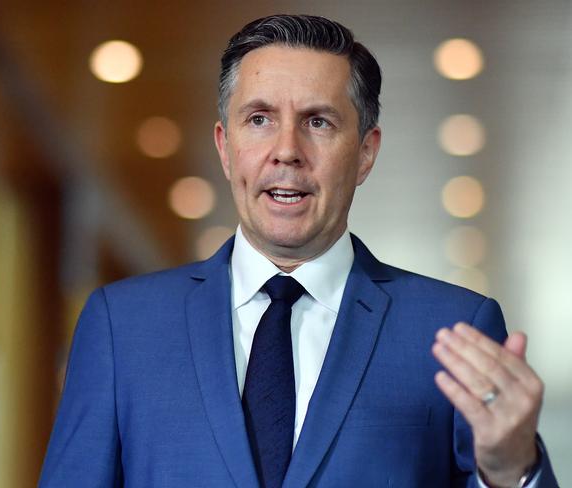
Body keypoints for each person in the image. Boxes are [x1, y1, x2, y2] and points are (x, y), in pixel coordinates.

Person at [39, 14, 559, 488]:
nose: (287, 151)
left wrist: (511, 468)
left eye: (318, 122)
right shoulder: (122, 327)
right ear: (225, 146)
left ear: (365, 153)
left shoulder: (455, 327)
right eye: (260, 119)